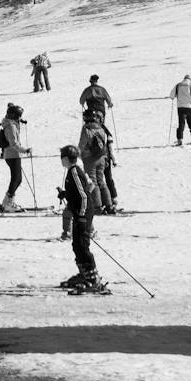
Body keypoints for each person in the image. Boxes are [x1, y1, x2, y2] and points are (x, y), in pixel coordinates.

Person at [57, 143, 102, 291]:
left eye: (61, 157)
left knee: (82, 245)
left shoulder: (74, 172)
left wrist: (82, 214)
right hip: (81, 213)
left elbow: (84, 194)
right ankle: (85, 273)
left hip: (83, 213)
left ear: (66, 158)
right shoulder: (75, 171)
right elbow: (89, 186)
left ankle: (92, 277)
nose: (60, 160)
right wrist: (67, 194)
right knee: (77, 245)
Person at [79, 106, 119, 214]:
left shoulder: (86, 129)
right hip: (102, 157)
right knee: (101, 181)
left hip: (89, 159)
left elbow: (82, 144)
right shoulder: (101, 128)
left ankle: (97, 206)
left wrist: (77, 154)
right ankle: (109, 204)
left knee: (93, 182)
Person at [0, 103, 31, 212]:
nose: (20, 118)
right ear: (14, 116)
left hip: (12, 154)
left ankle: (7, 202)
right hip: (12, 154)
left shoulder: (10, 123)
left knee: (17, 179)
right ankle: (8, 203)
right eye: (19, 116)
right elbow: (14, 143)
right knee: (16, 179)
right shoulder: (10, 126)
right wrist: (25, 150)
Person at [172, 74, 191, 145]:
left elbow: (171, 95)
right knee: (190, 122)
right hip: (189, 107)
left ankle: (180, 139)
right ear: (190, 79)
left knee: (181, 123)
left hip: (180, 107)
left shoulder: (178, 85)